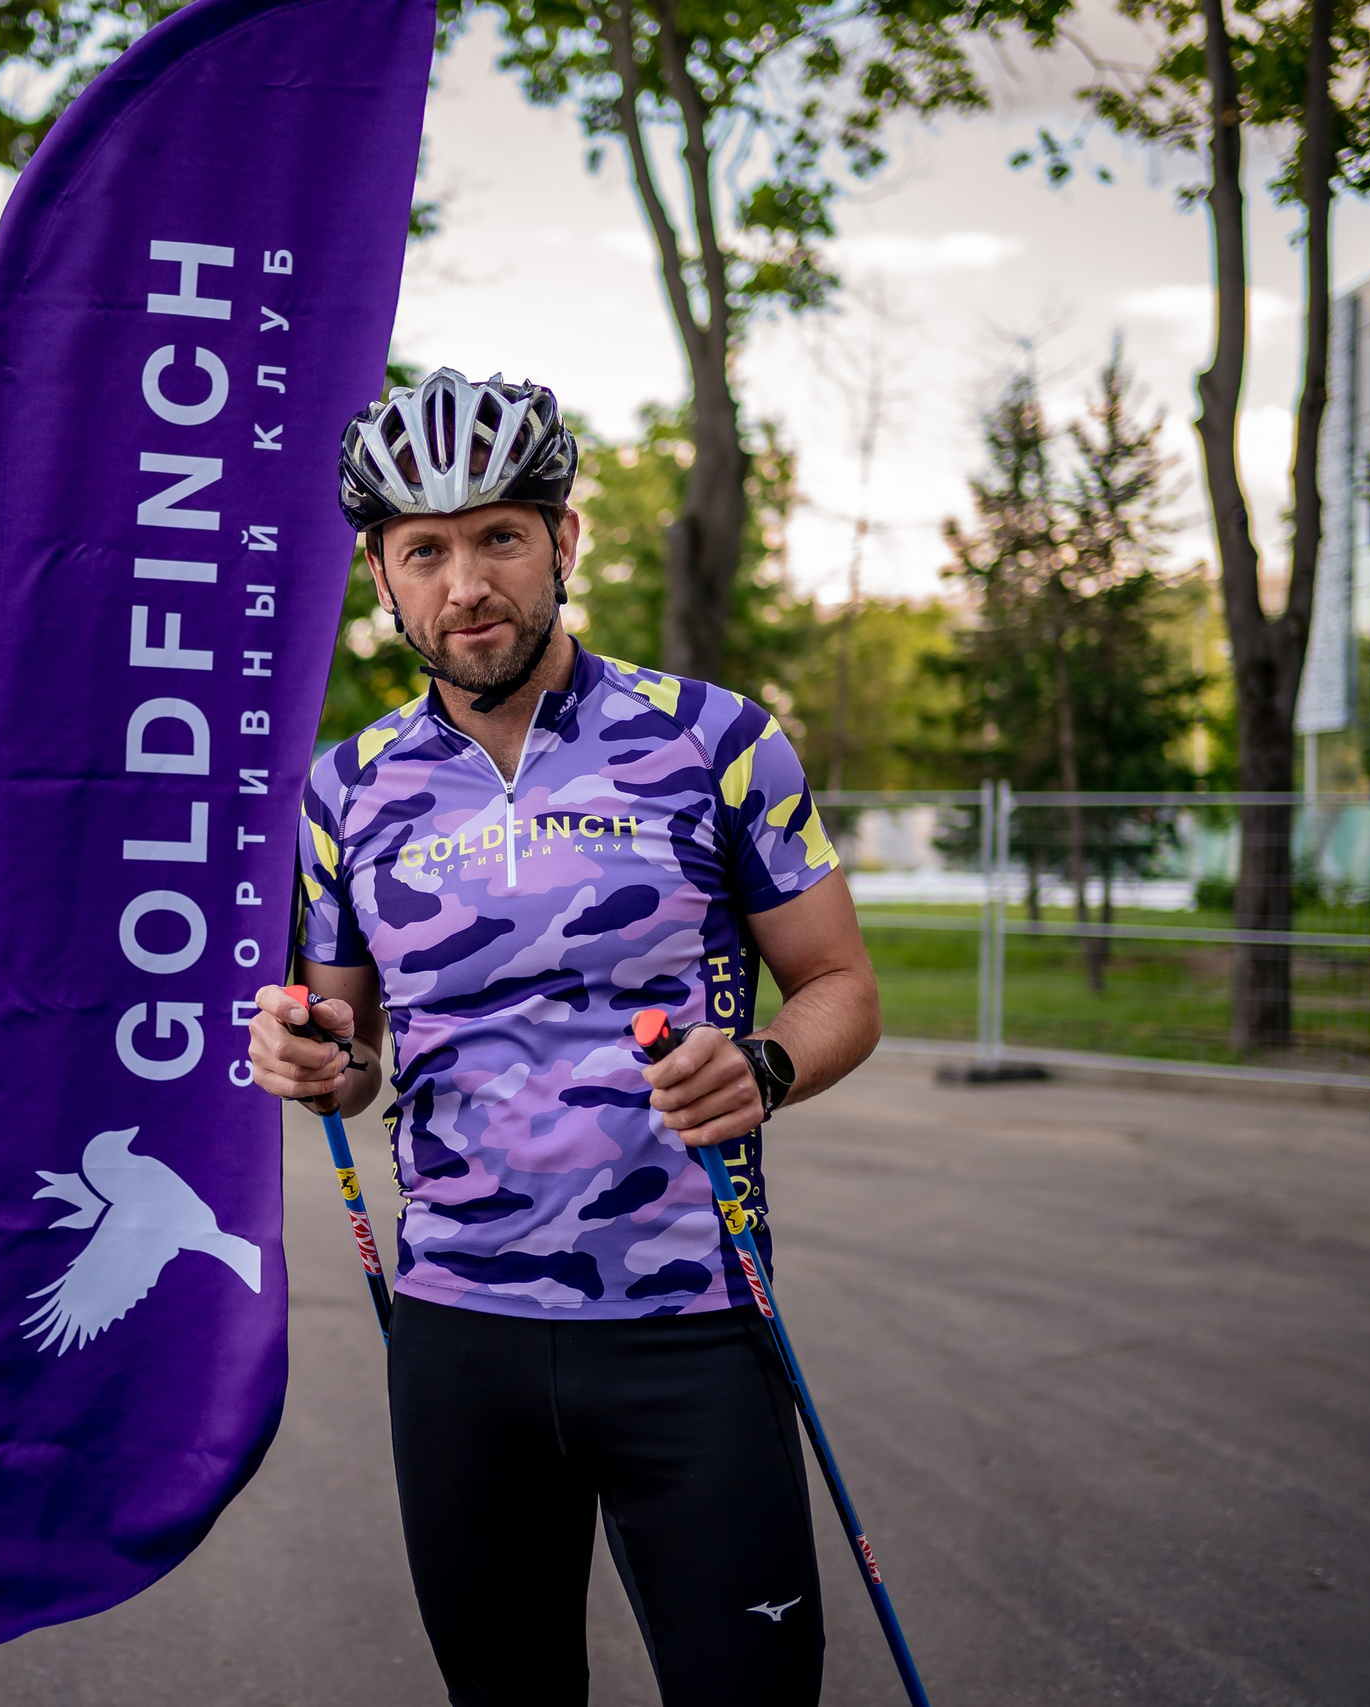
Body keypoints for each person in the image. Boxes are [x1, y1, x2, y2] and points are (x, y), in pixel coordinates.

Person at [247, 369, 881, 1707]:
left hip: (692, 1327)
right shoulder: (343, 793)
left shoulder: (717, 743)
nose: (466, 582)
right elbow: (349, 1046)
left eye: (499, 538)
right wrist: (309, 1053)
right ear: (384, 577)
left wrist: (763, 1067)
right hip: (456, 1340)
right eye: (427, 550)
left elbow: (838, 988)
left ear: (563, 542)